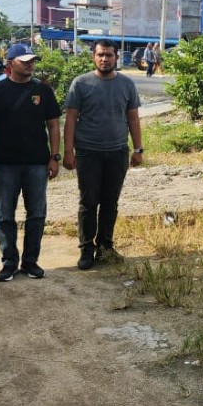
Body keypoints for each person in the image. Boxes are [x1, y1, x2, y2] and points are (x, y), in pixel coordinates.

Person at [0, 43, 61, 282]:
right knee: (4, 215)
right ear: (10, 63)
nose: (30, 64)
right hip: (5, 164)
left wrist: (54, 157)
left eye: (32, 60)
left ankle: (31, 261)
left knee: (37, 214)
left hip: (37, 163)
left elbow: (54, 124)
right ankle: (9, 262)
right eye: (24, 60)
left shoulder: (43, 91)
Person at [63, 39, 143, 270]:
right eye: (100, 55)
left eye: (109, 55)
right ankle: (86, 249)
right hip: (88, 152)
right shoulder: (81, 84)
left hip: (117, 152)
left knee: (110, 201)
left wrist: (138, 149)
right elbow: (70, 119)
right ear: (93, 57)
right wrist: (68, 152)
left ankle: (105, 247)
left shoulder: (127, 84)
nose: (104, 59)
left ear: (116, 57)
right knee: (88, 202)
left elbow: (133, 118)